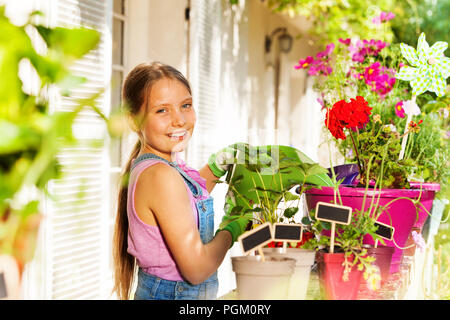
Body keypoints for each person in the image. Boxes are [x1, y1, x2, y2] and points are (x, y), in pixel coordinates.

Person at [112, 62, 250, 300]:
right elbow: (196, 269)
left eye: (185, 105)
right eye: (162, 110)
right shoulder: (160, 176)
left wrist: (217, 166)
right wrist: (232, 227)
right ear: (134, 121)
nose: (179, 120)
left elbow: (181, 203)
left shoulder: (157, 166)